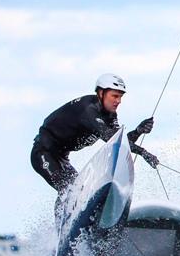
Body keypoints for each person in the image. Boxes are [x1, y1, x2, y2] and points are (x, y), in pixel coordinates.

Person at [30, 74, 160, 193]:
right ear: (101, 93)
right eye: (115, 96)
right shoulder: (88, 110)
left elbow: (119, 141)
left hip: (62, 158)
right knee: (69, 190)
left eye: (120, 97)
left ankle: (65, 217)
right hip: (43, 152)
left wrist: (138, 131)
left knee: (79, 192)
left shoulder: (110, 115)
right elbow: (110, 138)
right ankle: (64, 217)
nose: (119, 101)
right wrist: (143, 152)